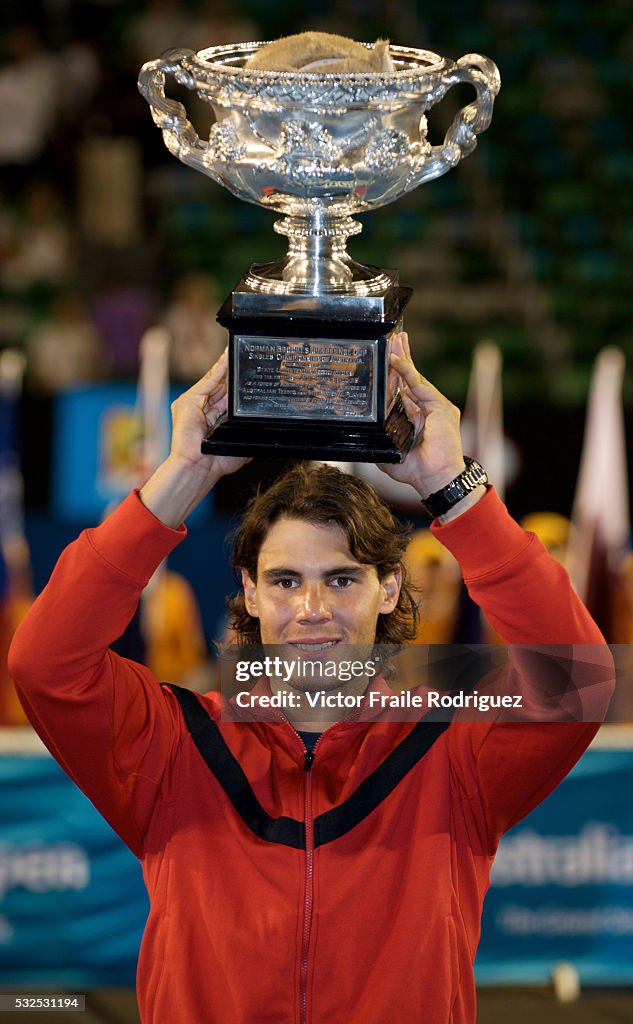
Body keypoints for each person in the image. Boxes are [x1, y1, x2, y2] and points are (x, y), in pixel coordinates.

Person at [9, 333, 613, 1024]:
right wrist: (183, 472)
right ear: (250, 591)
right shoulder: (173, 743)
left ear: (389, 588)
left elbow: (575, 678)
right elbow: (46, 664)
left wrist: (453, 490)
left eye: (343, 579)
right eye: (285, 580)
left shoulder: (451, 747)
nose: (311, 610)